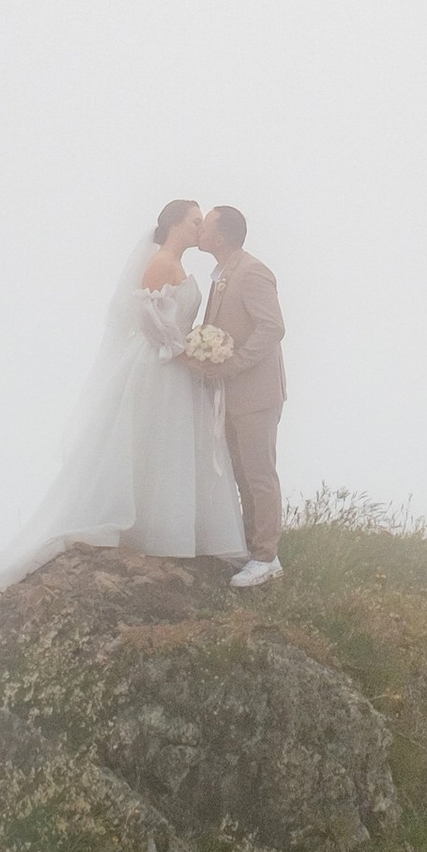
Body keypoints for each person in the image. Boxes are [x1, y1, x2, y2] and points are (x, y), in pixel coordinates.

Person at [0, 199, 245, 598]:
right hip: (160, 368)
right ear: (176, 225)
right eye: (195, 221)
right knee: (150, 441)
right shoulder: (162, 262)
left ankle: (170, 528)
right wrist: (185, 353)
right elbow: (147, 318)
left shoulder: (177, 265)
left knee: (170, 447)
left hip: (177, 367)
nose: (200, 227)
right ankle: (146, 528)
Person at [186, 205, 287, 588]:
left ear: (221, 237)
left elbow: (273, 327)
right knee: (242, 475)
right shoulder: (222, 275)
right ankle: (252, 548)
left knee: (260, 475)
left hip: (257, 394)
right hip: (233, 395)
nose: (199, 230)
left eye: (205, 225)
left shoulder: (252, 271)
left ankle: (267, 558)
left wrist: (234, 364)